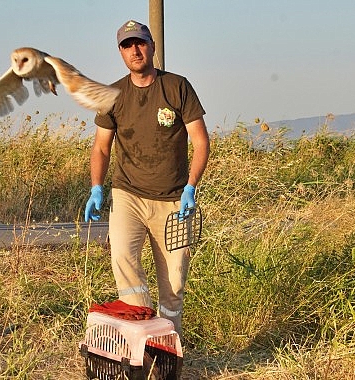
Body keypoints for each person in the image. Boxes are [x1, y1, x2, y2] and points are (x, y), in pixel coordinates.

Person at [84, 20, 210, 340]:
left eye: (140, 43)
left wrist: (191, 187)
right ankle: (143, 337)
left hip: (174, 201)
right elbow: (101, 147)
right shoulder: (113, 95)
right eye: (127, 46)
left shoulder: (177, 87)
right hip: (129, 194)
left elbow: (201, 142)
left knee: (175, 282)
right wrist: (97, 188)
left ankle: (169, 347)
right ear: (121, 53)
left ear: (152, 46)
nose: (135, 50)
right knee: (123, 257)